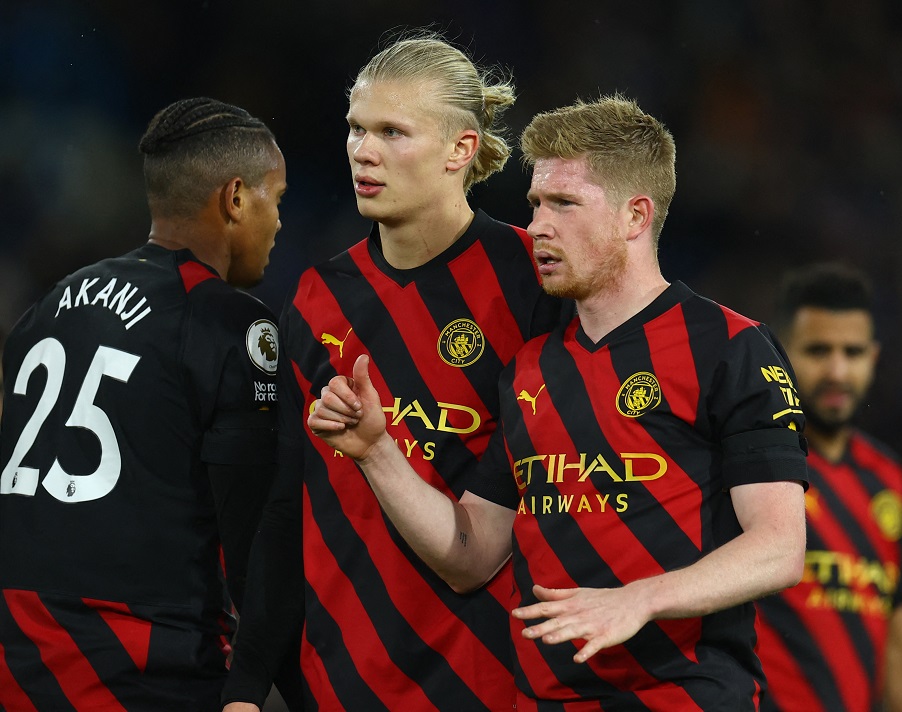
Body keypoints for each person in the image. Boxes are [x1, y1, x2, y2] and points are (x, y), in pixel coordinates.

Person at [309, 95, 809, 709]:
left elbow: (779, 547)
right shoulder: (528, 367)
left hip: (682, 695)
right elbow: (471, 556)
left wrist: (641, 598)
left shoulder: (730, 346)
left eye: (564, 204)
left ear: (635, 215)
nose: (539, 226)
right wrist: (376, 452)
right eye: (536, 204)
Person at [221, 34, 565, 711]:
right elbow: (288, 507)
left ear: (460, 149)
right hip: (336, 684)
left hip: (490, 683)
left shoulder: (534, 283)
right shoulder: (317, 297)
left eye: (392, 132)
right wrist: (246, 685)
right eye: (356, 128)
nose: (363, 151)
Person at [0, 97, 286, 710]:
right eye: (277, 199)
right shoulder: (227, 323)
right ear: (236, 199)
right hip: (143, 667)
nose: (281, 223)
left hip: (19, 659)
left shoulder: (43, 310)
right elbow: (254, 540)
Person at [755, 263, 902, 712]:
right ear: (778, 355)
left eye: (853, 352)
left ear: (873, 359)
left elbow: (898, 649)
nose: (837, 371)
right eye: (818, 351)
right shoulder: (751, 462)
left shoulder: (885, 475)